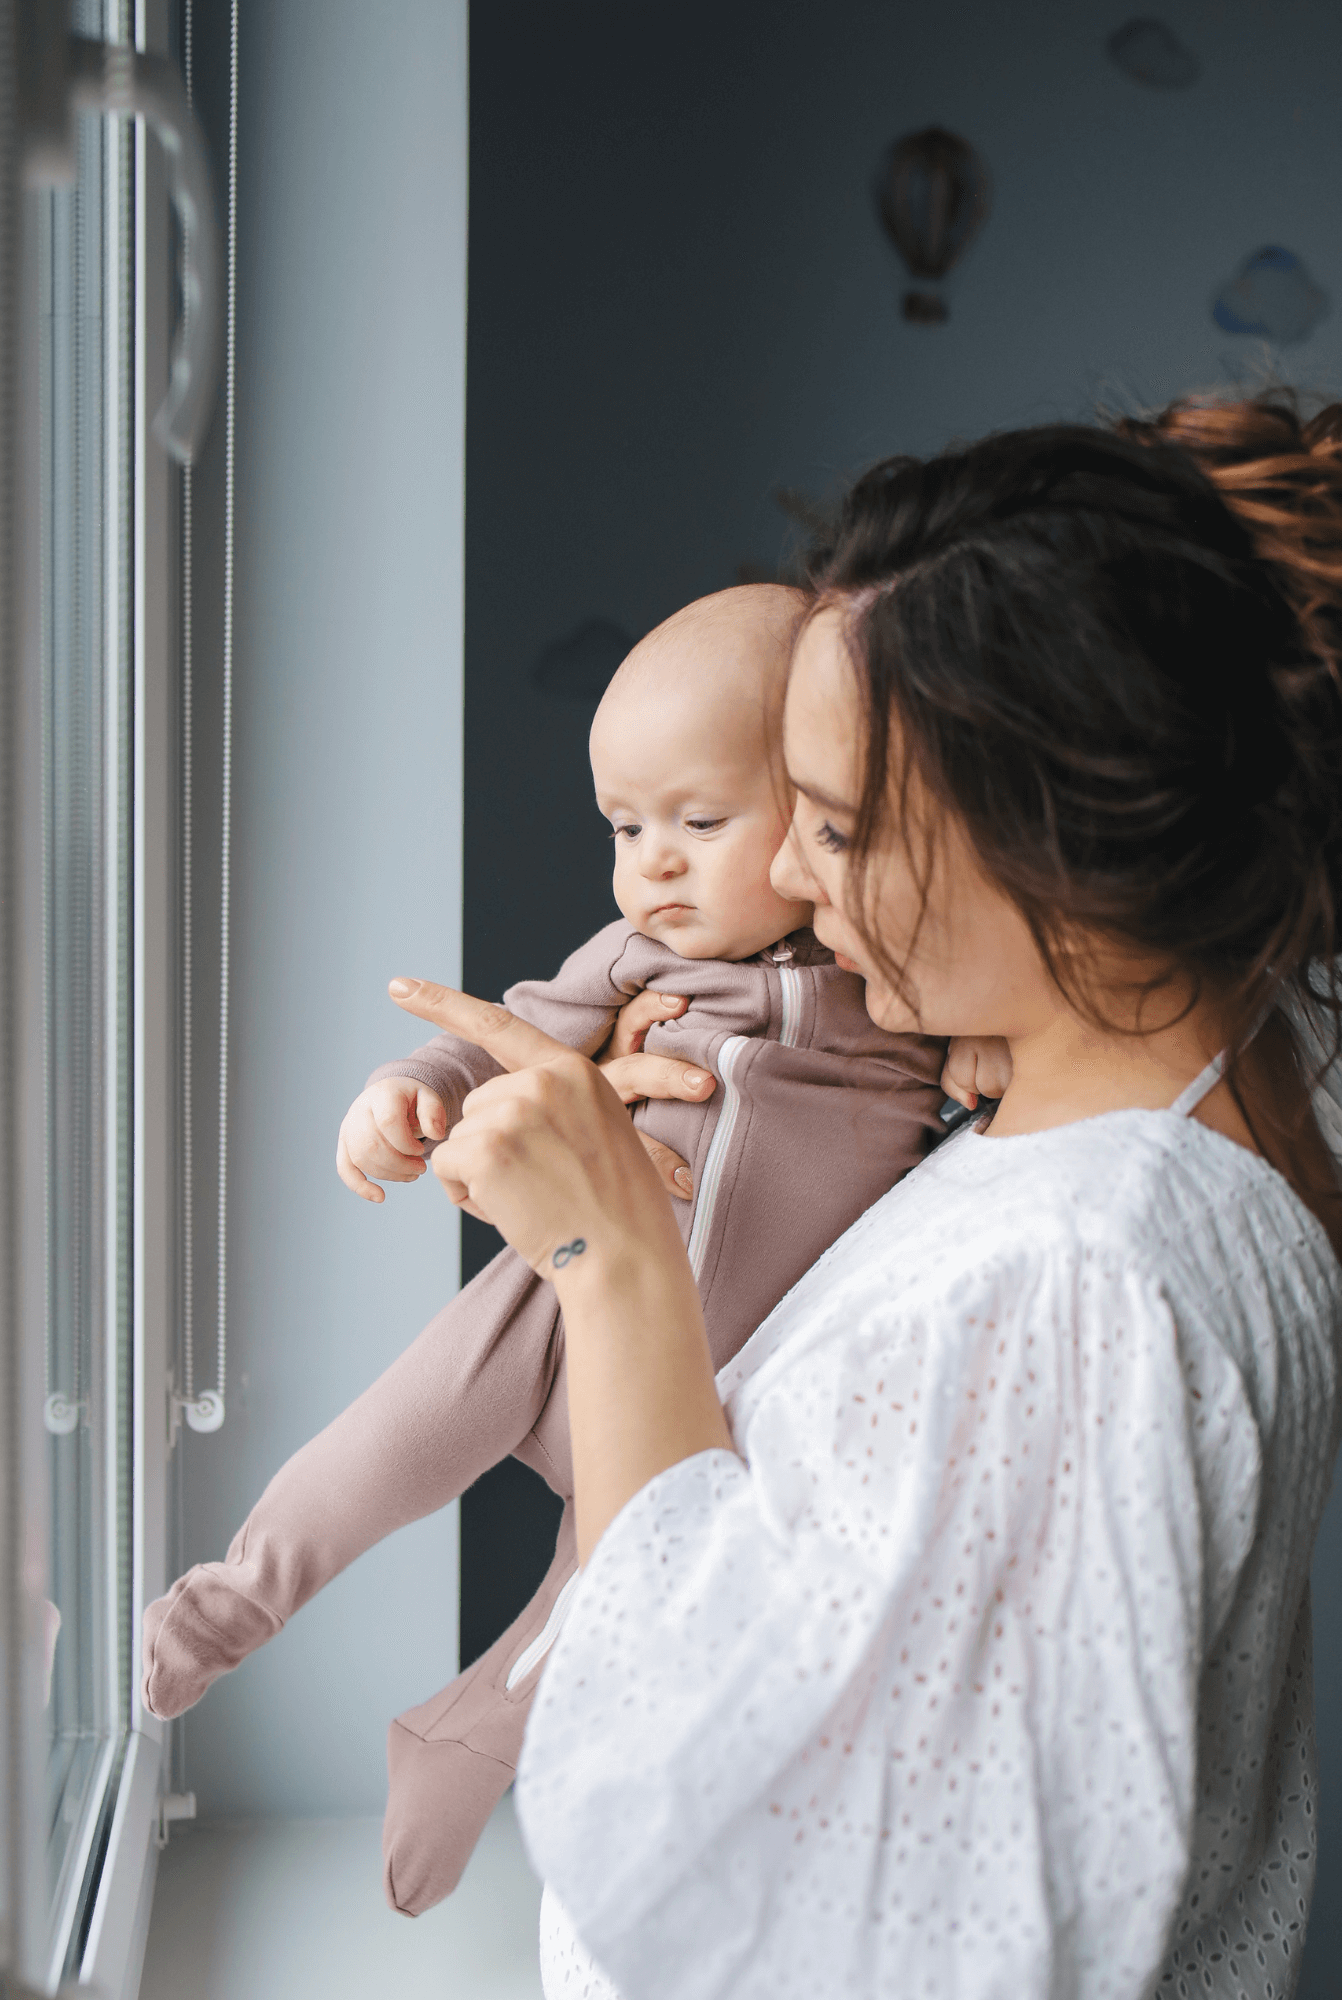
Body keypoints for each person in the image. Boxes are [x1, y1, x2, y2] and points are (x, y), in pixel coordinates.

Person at [384, 393, 1342, 1999]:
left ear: (1044, 845)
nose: (795, 888)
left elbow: (766, 1861)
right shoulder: (1251, 1049)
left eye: (832, 824)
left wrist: (604, 1247)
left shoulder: (1067, 1284)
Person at [139, 584, 985, 1915]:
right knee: (395, 1437)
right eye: (624, 826)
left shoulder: (886, 966)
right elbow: (505, 1026)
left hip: (703, 1379)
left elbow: (961, 1089)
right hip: (551, 1294)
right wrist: (413, 1091)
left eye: (699, 823)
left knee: (599, 1601)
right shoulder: (637, 954)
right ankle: (230, 1601)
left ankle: (463, 1737)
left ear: (832, 809)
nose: (649, 862)